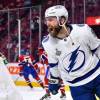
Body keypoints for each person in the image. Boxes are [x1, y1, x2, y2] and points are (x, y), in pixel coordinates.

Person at [42, 5, 100, 100]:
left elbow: (97, 48)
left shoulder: (83, 30)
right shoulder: (47, 43)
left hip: (98, 76)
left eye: (51, 19)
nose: (48, 23)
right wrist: (54, 80)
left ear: (62, 20)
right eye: (46, 20)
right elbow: (53, 64)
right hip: (77, 86)